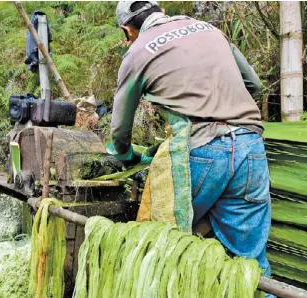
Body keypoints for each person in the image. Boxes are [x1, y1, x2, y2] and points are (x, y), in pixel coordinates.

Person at [109, 0, 272, 292]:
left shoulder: (137, 52)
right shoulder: (209, 29)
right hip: (250, 146)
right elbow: (255, 85)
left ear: (127, 30)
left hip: (200, 152)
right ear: (160, 10)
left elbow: (120, 130)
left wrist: (125, 155)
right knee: (251, 263)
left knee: (164, 246)